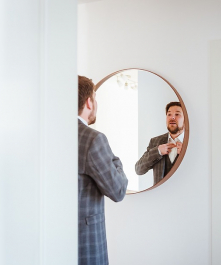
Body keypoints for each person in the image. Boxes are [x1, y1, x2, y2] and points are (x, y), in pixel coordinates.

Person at [77, 75, 128, 265]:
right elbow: (118, 190)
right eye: (95, 98)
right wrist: (116, 162)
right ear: (89, 102)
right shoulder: (92, 139)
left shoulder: (47, 133)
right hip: (85, 242)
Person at [135, 101, 185, 185]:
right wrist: (157, 152)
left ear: (185, 119)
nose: (172, 117)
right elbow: (139, 169)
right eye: (169, 114)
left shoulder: (192, 142)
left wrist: (186, 154)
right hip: (160, 196)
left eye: (177, 114)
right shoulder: (155, 141)